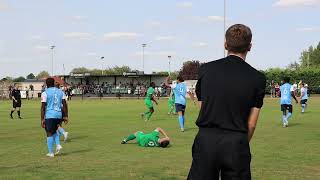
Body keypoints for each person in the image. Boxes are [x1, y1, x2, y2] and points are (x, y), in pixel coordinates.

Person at [188, 24, 266, 180]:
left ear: (225, 44)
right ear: (249, 46)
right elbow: (251, 124)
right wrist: (239, 142)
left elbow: (203, 107)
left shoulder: (206, 70)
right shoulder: (258, 78)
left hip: (206, 139)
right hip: (236, 141)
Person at [41, 78, 69, 157]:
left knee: (49, 133)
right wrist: (66, 116)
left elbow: (43, 107)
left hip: (50, 115)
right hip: (59, 115)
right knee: (56, 130)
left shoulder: (45, 93)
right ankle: (58, 144)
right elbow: (64, 104)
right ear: (53, 83)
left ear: (46, 84)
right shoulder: (61, 92)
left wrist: (42, 119)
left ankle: (51, 152)